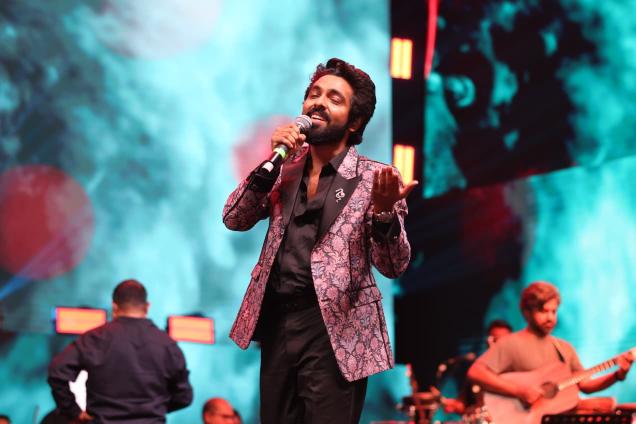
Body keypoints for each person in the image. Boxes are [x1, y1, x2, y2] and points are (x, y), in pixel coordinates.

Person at [222, 58, 416, 424]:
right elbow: (235, 218)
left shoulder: (375, 178)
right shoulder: (283, 169)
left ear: (354, 122)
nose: (318, 103)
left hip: (335, 327)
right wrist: (270, 164)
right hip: (279, 320)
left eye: (333, 98)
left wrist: (384, 215)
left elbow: (393, 265)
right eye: (314, 94)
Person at [467, 281, 633, 414]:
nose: (550, 318)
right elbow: (476, 372)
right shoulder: (510, 343)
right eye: (544, 311)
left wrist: (617, 374)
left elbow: (585, 385)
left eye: (554, 311)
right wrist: (519, 391)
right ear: (526, 312)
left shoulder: (564, 348)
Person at [48, 279, 193, 423]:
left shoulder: (94, 338)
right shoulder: (167, 345)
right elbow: (184, 397)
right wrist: (156, 408)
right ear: (147, 307)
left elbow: (57, 372)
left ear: (114, 307)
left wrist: (73, 411)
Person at [441, 319, 513, 416]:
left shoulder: (518, 370)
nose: (497, 345)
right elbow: (463, 404)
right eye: (493, 340)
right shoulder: (478, 370)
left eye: (503, 340)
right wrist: (453, 405)